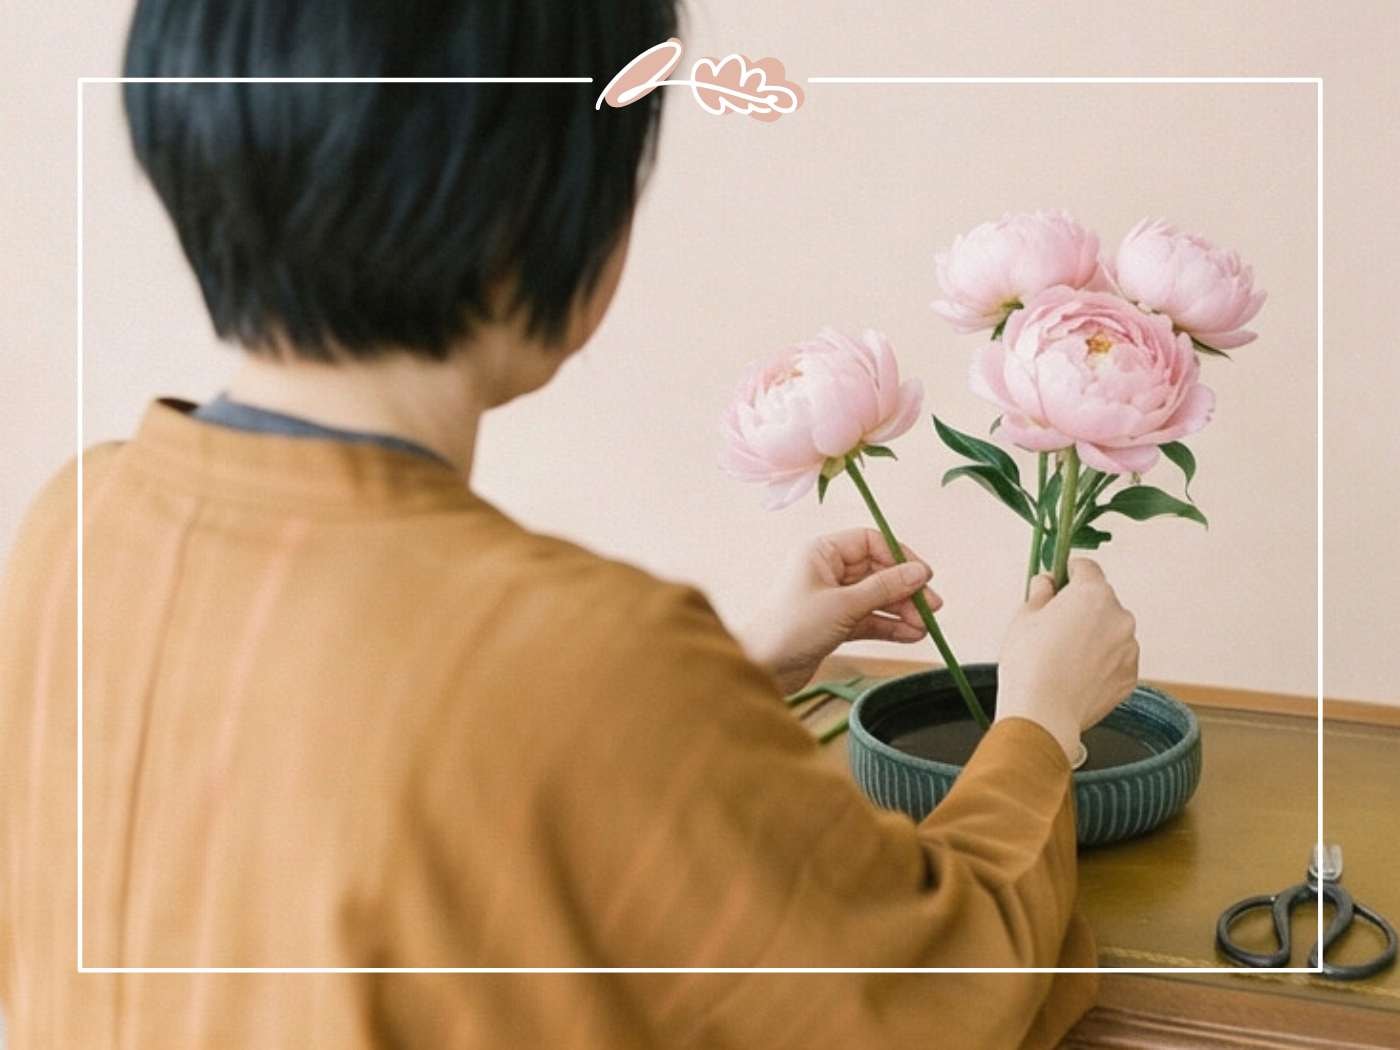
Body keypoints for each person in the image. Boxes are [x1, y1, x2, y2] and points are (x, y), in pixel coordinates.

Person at [0, 0, 1139, 1046]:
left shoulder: (77, 526)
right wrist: (1039, 720)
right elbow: (925, 998)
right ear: (535, 214)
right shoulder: (585, 663)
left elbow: (336, 815)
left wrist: (722, 684)